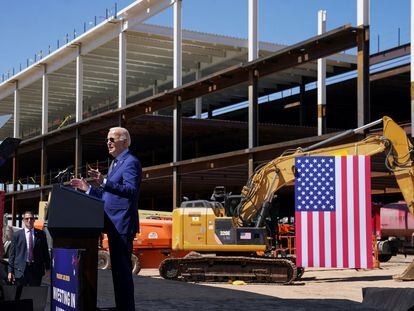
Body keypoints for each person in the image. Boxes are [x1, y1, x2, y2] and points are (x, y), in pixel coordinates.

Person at [70, 127, 141, 311]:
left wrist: (104, 181)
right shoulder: (116, 163)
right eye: (107, 139)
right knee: (117, 273)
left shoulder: (130, 162)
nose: (108, 142)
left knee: (123, 273)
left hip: (122, 225)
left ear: (124, 142)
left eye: (112, 139)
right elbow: (107, 197)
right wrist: (87, 188)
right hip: (112, 224)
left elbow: (130, 191)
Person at [7, 210, 50, 286]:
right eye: (27, 219)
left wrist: (48, 268)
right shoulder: (17, 235)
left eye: (31, 218)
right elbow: (12, 255)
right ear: (23, 220)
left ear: (34, 220)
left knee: (34, 294)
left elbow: (45, 252)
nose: (29, 220)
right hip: (20, 270)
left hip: (36, 270)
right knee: (20, 295)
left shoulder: (41, 234)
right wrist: (10, 271)